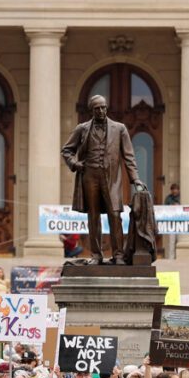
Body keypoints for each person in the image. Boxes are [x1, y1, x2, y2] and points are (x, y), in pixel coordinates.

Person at [60, 94, 145, 265]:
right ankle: (96, 255)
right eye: (97, 108)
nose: (101, 111)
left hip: (112, 179)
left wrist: (135, 179)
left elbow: (129, 157)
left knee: (115, 215)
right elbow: (66, 150)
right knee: (93, 216)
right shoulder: (82, 129)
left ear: (107, 107)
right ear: (92, 110)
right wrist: (75, 164)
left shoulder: (119, 129)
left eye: (103, 107)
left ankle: (119, 255)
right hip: (90, 177)